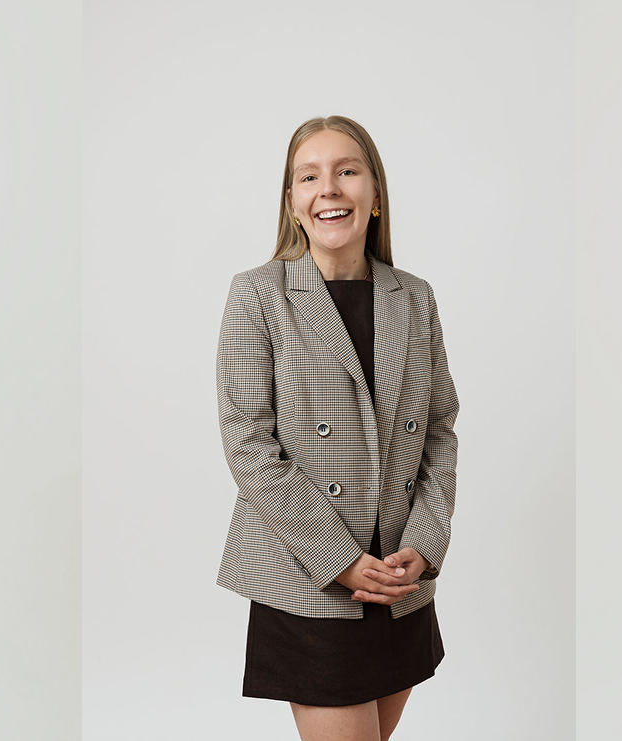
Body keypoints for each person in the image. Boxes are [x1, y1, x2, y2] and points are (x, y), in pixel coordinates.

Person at [215, 115, 459, 741]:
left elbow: (439, 431)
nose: (329, 188)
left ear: (374, 196)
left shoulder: (416, 297)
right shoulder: (258, 295)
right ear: (293, 203)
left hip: (399, 581)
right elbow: (249, 447)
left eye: (347, 171)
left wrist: (425, 546)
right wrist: (341, 560)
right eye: (309, 176)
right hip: (309, 579)